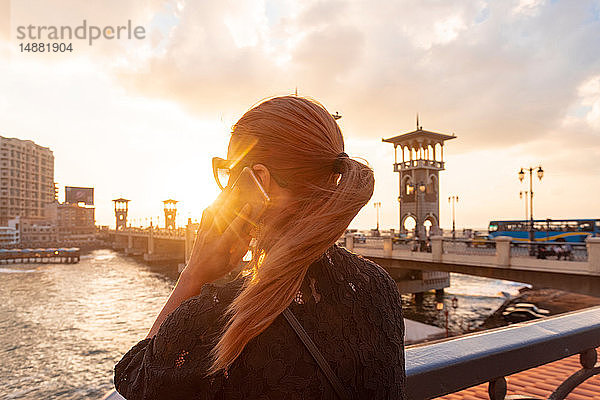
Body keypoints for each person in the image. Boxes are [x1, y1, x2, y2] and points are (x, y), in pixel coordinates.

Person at [114, 96, 407, 400]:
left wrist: (193, 274)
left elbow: (134, 378)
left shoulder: (220, 317)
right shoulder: (379, 286)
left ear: (260, 182)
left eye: (229, 174)